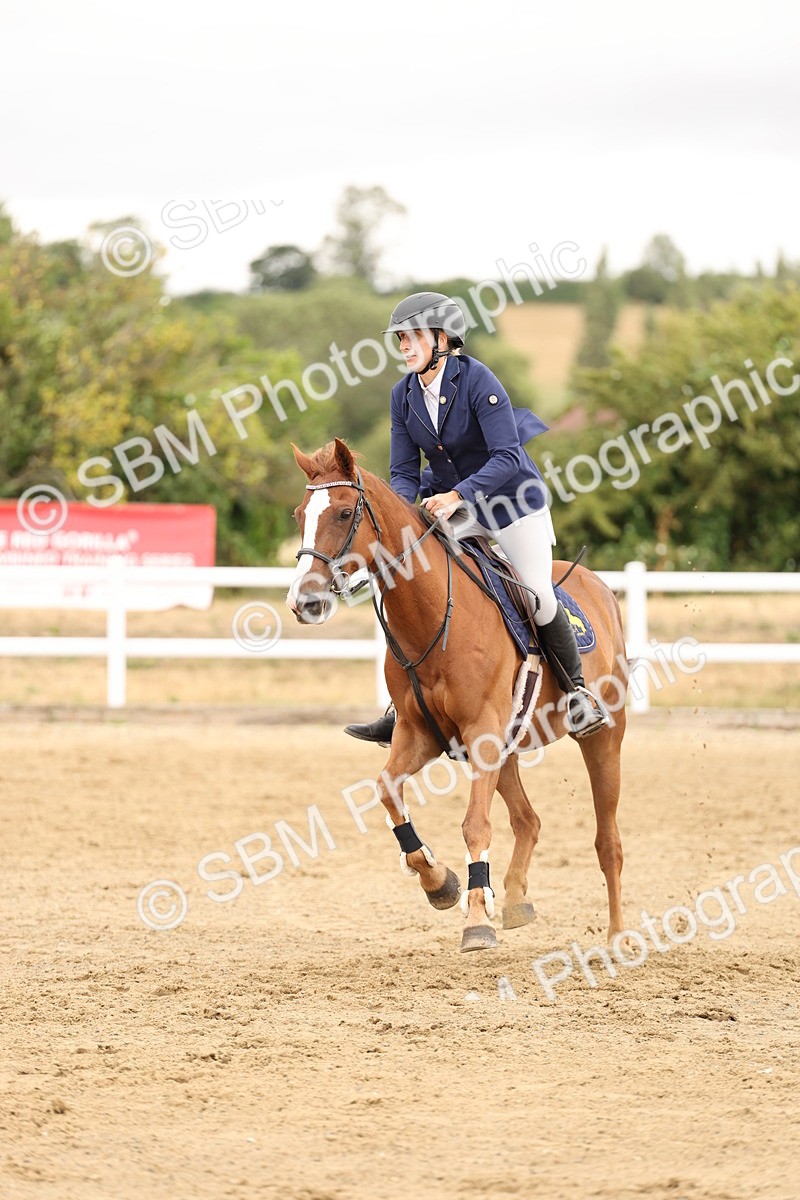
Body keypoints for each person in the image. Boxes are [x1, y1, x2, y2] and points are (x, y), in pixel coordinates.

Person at [344, 291, 609, 746]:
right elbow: (404, 472)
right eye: (400, 338)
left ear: (442, 338)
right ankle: (404, 707)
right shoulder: (402, 395)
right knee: (413, 583)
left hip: (511, 502)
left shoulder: (478, 380)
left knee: (537, 593)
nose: (403, 345)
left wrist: (456, 495)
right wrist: (401, 521)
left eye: (412, 336)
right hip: (455, 506)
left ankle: (576, 693)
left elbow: (507, 455)